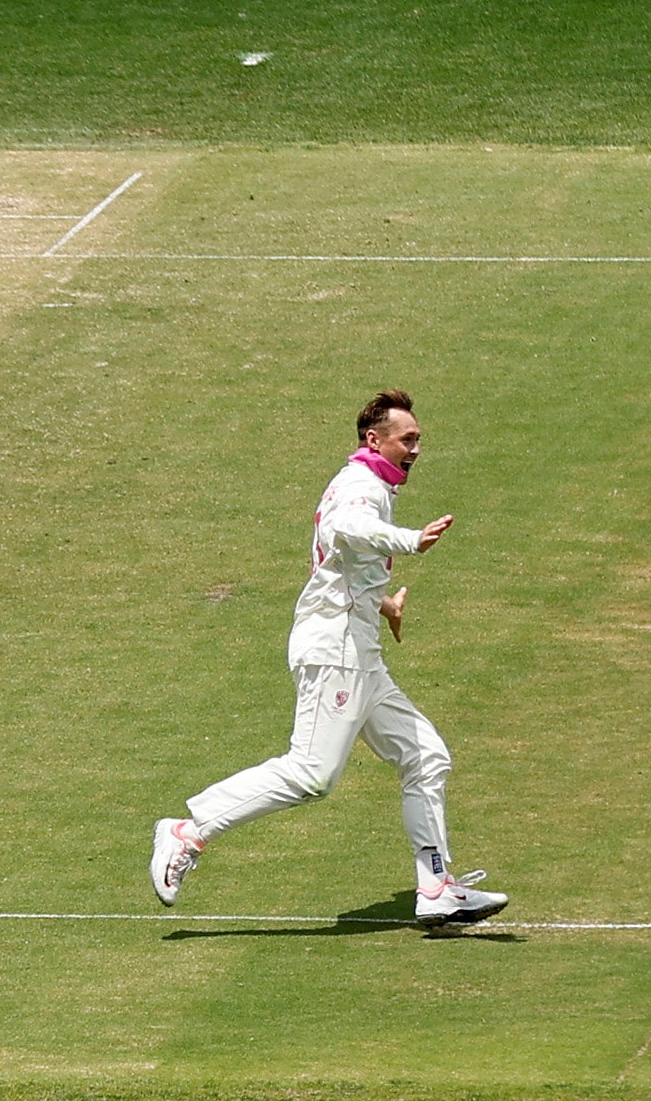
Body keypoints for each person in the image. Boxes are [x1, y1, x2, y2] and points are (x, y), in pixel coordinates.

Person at [150, 391, 509, 925]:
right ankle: (188, 831)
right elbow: (345, 530)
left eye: (418, 440)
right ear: (374, 440)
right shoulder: (362, 487)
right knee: (312, 774)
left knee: (426, 756)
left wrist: (383, 602)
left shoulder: (368, 485)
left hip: (358, 648)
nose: (415, 449)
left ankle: (436, 888)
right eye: (406, 439)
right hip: (336, 648)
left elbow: (340, 558)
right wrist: (410, 540)